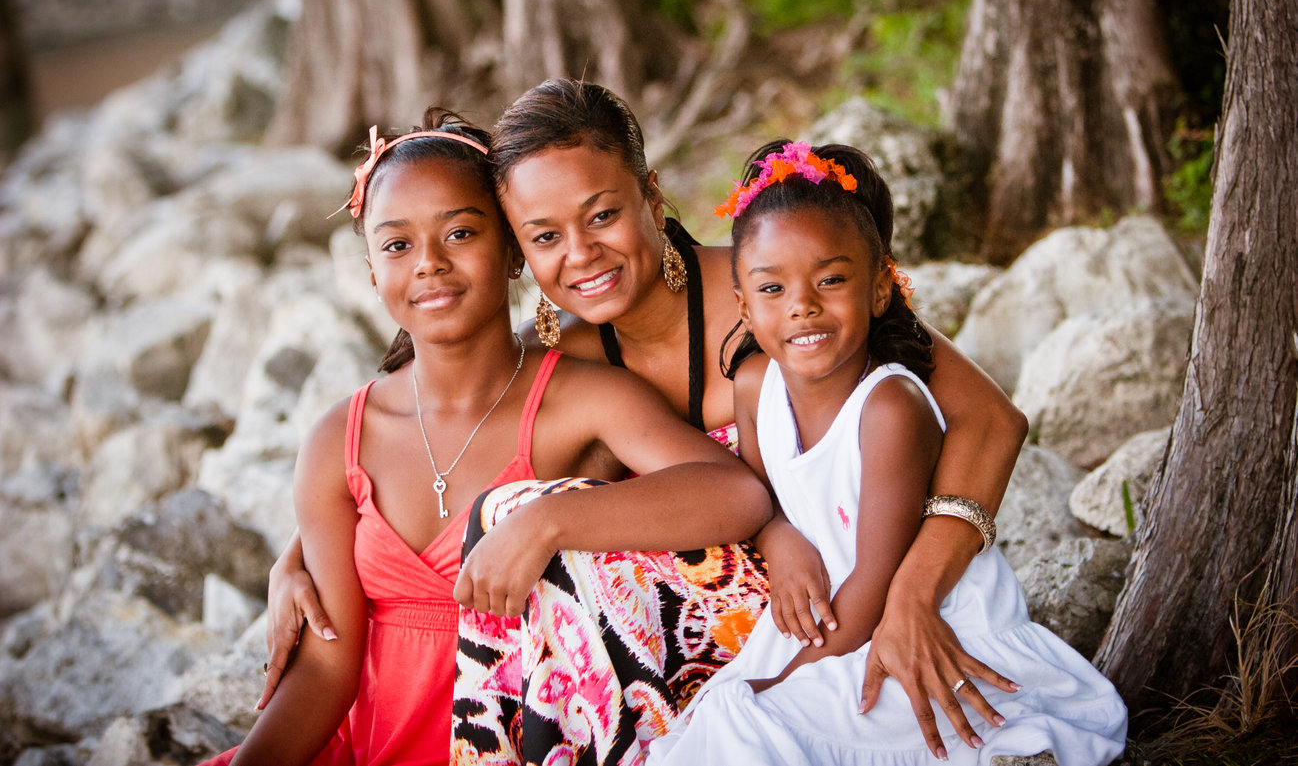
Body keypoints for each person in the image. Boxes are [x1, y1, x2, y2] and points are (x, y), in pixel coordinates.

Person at [264, 79, 1030, 759]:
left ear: (653, 198)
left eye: (602, 215)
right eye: (545, 236)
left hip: (872, 576)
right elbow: (446, 435)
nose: (582, 255)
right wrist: (304, 549)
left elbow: (990, 421)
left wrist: (913, 596)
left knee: (539, 521)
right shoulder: (570, 348)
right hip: (732, 622)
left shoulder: (777, 289)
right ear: (519, 249)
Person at [207, 111, 771, 766]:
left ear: (511, 253)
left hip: (526, 735)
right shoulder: (340, 436)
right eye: (397, 245)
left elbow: (731, 489)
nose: (430, 264)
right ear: (368, 269)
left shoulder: (580, 396)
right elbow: (328, 666)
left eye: (461, 232)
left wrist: (550, 520)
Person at [644, 140, 1127, 765]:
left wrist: (782, 683)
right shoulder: (754, 383)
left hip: (913, 618)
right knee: (712, 730)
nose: (802, 305)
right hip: (826, 624)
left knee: (753, 724)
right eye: (772, 287)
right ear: (742, 302)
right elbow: (764, 496)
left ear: (880, 289)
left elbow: (875, 579)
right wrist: (777, 538)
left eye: (831, 280)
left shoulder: (891, 406)